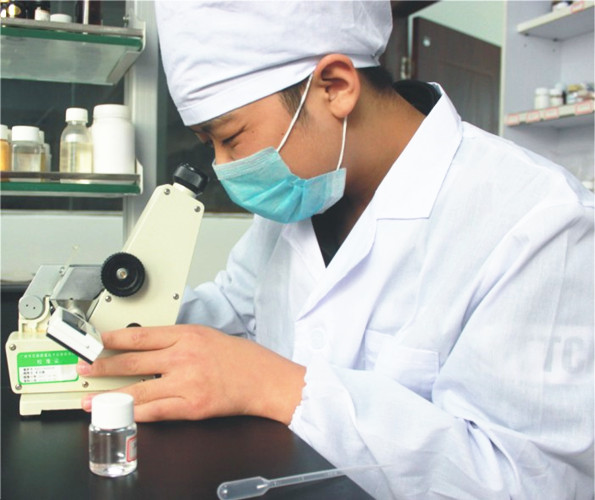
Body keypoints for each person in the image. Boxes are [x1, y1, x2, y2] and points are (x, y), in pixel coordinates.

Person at [76, 1, 594, 498]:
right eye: (209, 144)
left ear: (336, 86)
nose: (223, 167)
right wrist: (112, 321)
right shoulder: (307, 189)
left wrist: (280, 387)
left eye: (232, 138)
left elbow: (531, 482)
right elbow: (238, 309)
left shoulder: (541, 222)